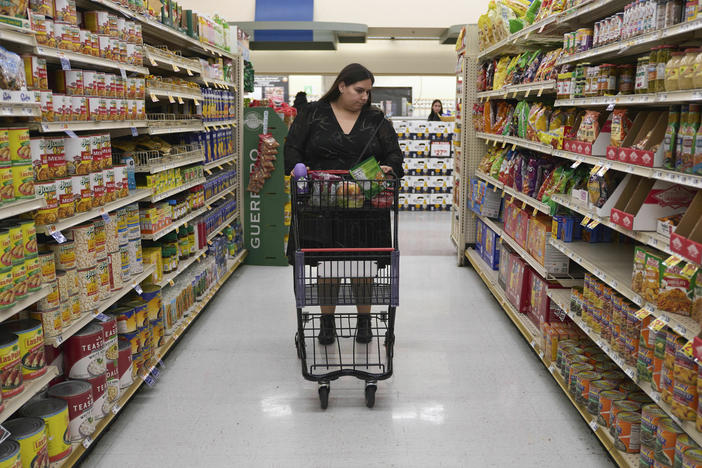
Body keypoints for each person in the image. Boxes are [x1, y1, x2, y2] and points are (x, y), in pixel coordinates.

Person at [284, 63, 404, 345]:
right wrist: (297, 170)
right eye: (358, 90)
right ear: (341, 86)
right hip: (322, 207)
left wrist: (389, 168)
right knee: (328, 267)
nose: (364, 97)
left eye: (368, 92)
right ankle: (327, 323)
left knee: (363, 268)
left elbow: (395, 155)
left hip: (366, 209)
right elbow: (292, 149)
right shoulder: (313, 114)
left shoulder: (376, 120)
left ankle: (364, 322)